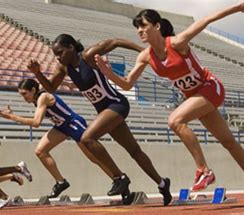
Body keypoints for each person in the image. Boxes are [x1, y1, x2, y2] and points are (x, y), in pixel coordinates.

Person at [95, 0, 244, 205]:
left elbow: (206, 19)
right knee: (227, 141)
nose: (139, 30)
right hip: (194, 97)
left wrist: (238, 7)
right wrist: (107, 72)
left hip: (210, 87)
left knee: (175, 120)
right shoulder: (145, 56)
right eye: (137, 27)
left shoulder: (176, 43)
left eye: (143, 25)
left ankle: (204, 170)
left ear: (157, 26)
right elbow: (128, 84)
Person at [29, 34, 172, 206]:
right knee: (134, 151)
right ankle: (162, 183)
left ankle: (120, 178)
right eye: (55, 55)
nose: (58, 57)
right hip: (105, 110)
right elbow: (51, 87)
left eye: (60, 52)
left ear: (71, 47)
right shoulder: (63, 68)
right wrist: (37, 73)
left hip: (117, 104)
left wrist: (146, 52)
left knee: (87, 138)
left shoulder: (88, 56)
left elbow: (116, 41)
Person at [0, 78, 118, 198]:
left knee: (95, 158)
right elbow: (49, 81)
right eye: (21, 95)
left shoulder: (43, 97)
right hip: (61, 126)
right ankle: (61, 182)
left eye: (24, 94)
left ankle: (117, 179)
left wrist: (12, 117)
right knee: (40, 151)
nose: (24, 98)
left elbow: (36, 122)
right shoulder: (36, 93)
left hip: (73, 123)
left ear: (33, 90)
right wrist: (65, 83)